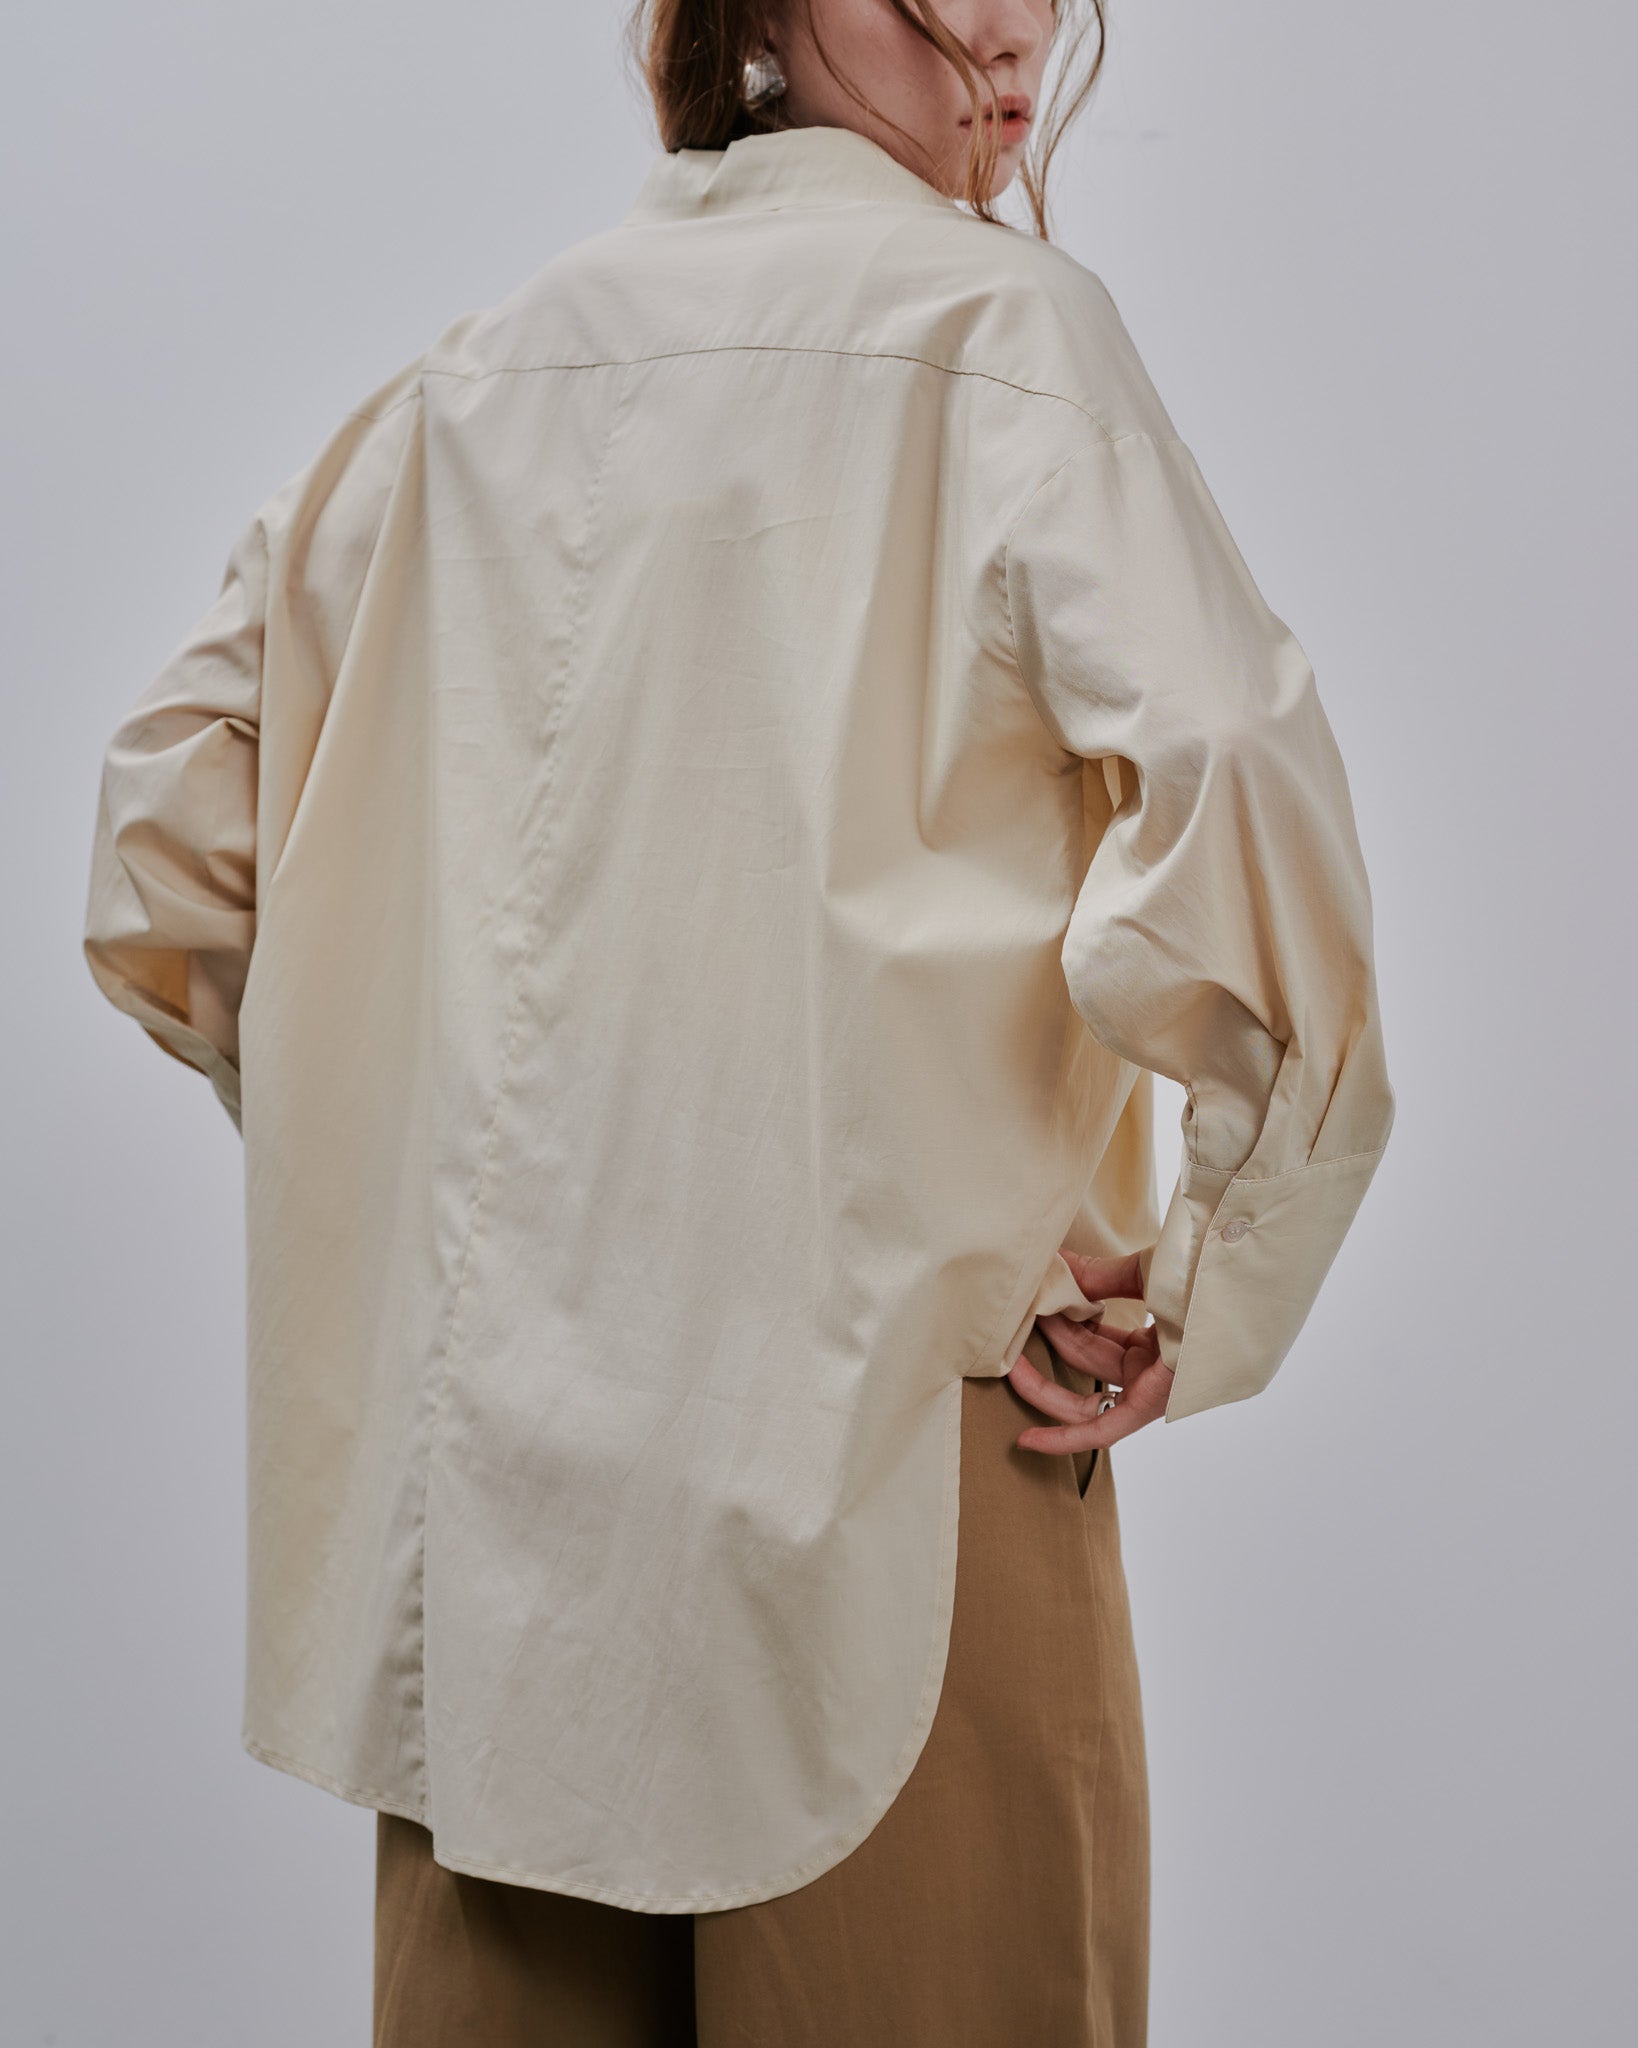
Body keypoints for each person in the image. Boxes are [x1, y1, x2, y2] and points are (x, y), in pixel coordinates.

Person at [80, 2, 1395, 2041]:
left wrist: (439, 1178)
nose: (1011, 24)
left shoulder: (474, 380)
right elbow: (1235, 783)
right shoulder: (999, 340)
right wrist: (1208, 1272)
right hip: (892, 1470)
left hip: (502, 1514)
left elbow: (173, 833)